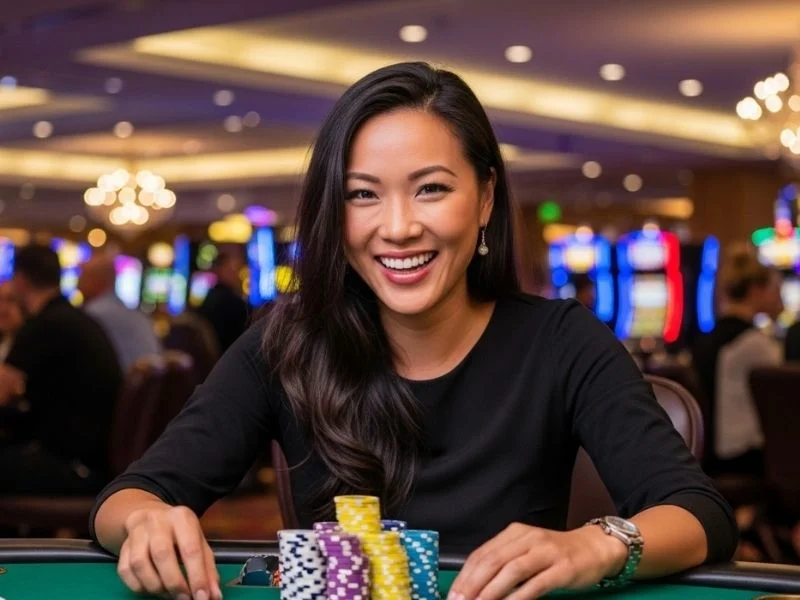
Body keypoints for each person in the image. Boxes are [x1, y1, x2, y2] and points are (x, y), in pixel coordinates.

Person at [92, 63, 735, 600]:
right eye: (363, 195)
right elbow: (127, 499)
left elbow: (696, 512)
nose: (397, 228)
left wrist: (594, 546)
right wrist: (147, 521)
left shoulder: (563, 341)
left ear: (485, 199)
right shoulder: (287, 342)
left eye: (430, 188)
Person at [0, 244, 123, 494]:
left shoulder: (44, 325)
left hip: (74, 467)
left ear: (20, 280)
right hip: (94, 462)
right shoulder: (73, 318)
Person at [692, 245, 784, 476]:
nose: (779, 296)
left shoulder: (704, 341)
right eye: (775, 288)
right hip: (741, 459)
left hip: (706, 455)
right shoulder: (754, 344)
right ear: (756, 290)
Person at [79, 252, 161, 372]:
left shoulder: (91, 316)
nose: (77, 285)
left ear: (95, 280)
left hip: (116, 388)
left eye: (82, 277)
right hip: (146, 389)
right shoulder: (138, 316)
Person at [195, 250, 249, 354]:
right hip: (229, 358)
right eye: (231, 269)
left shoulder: (209, 297)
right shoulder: (232, 302)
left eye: (237, 269)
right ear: (218, 270)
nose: (236, 273)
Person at [0, 281, 24, 362]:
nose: (2, 308)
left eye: (10, 300)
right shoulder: (4, 342)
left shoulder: (35, 347)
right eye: (0, 300)